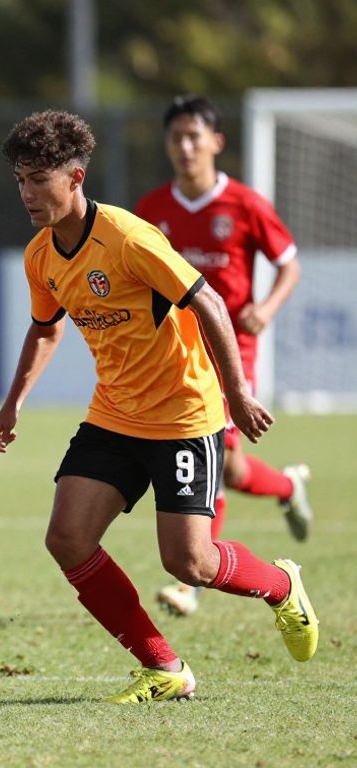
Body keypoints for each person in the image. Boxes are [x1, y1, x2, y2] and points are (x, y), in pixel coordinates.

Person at [0, 110, 318, 703]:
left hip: (184, 415)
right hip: (114, 415)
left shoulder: (129, 237)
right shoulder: (41, 255)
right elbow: (44, 330)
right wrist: (13, 404)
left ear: (76, 177)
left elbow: (209, 303)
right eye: (20, 180)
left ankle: (279, 584)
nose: (27, 194)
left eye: (40, 180)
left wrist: (237, 393)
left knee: (189, 564)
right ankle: (164, 667)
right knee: (66, 538)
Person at [135, 94, 313, 618]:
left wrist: (266, 306)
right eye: (176, 138)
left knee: (215, 462)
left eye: (195, 136)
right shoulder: (151, 210)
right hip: (177, 353)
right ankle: (287, 485)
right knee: (231, 470)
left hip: (234, 349)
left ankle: (191, 581)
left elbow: (290, 265)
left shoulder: (245, 204)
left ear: (216, 142)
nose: (185, 146)